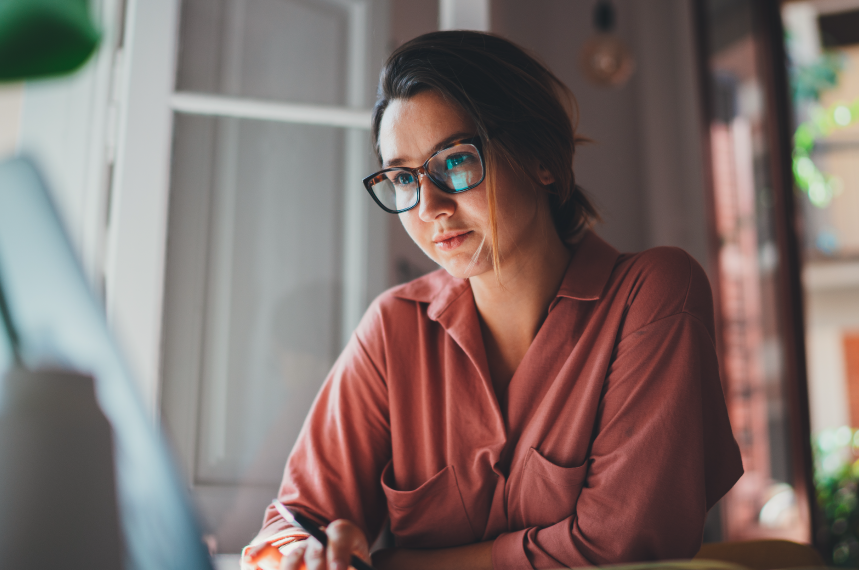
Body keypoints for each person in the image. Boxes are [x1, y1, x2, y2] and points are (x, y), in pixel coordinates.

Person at [242, 30, 742, 570]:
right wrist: (296, 557)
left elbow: (619, 546)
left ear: (541, 159)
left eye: (454, 161)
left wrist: (392, 564)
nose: (428, 205)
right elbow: (293, 521)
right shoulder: (393, 330)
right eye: (403, 178)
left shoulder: (653, 295)